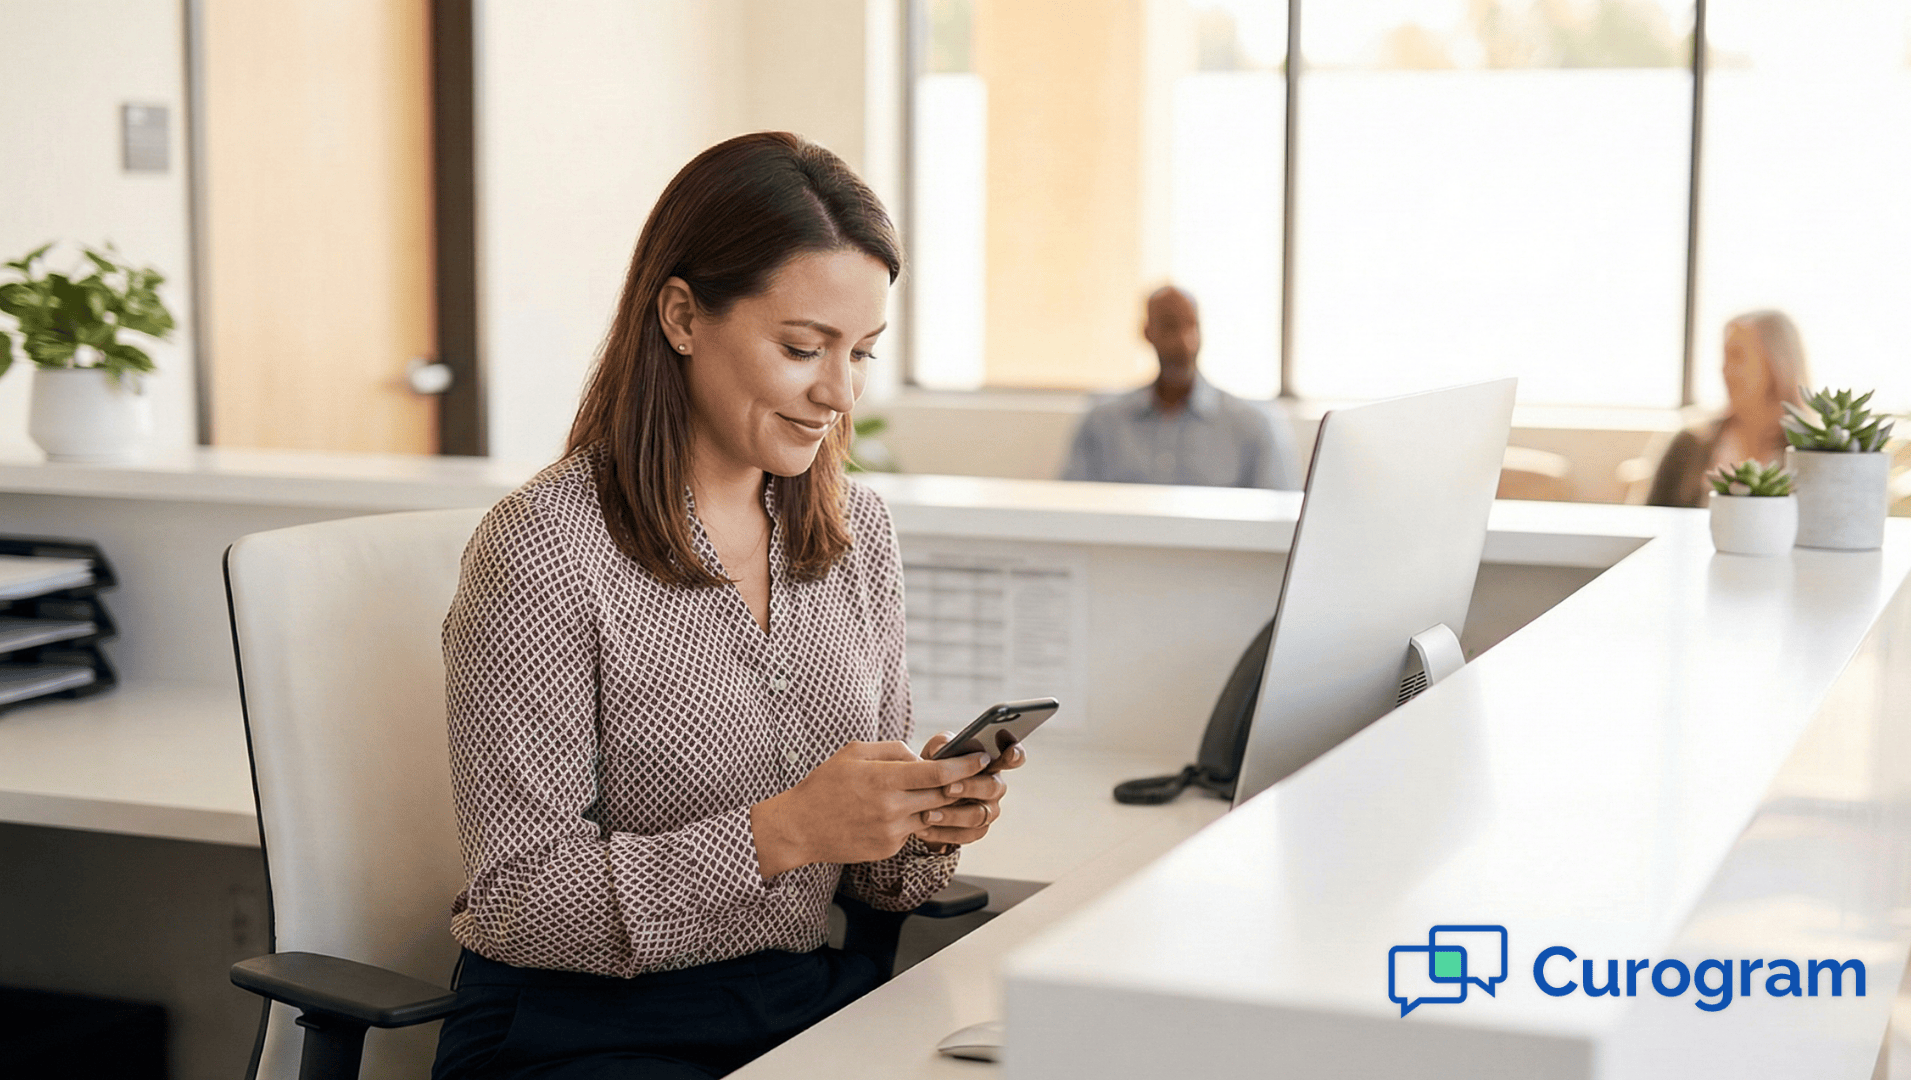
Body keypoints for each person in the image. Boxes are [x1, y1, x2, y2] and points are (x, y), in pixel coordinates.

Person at [432, 133, 1023, 1080]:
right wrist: (786, 829)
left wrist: (917, 820)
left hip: (795, 1002)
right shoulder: (544, 549)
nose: (839, 393)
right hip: (585, 1028)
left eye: (861, 352)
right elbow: (518, 900)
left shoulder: (854, 532)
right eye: (802, 348)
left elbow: (873, 884)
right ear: (680, 315)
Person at [1060, 285, 1301, 490]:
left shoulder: (1253, 426)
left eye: (1191, 326)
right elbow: (1071, 510)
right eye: (1169, 327)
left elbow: (1283, 524)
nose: (1184, 343)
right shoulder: (1103, 424)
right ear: (1147, 333)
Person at [1649, 310, 1810, 508]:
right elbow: (1650, 519)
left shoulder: (1814, 454)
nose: (1724, 369)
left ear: (1776, 364)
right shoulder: (1689, 443)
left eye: (1737, 356)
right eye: (1725, 356)